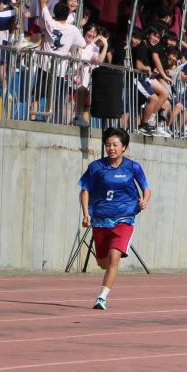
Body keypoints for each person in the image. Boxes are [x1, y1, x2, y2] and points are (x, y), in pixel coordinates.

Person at [78, 128, 151, 310]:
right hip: (100, 220)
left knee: (114, 258)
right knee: (103, 263)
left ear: (124, 147)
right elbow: (85, 190)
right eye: (108, 145)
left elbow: (146, 188)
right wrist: (86, 213)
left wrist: (144, 201)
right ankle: (106, 274)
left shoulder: (133, 167)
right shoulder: (96, 167)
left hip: (124, 219)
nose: (111, 148)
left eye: (115, 145)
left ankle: (102, 297)